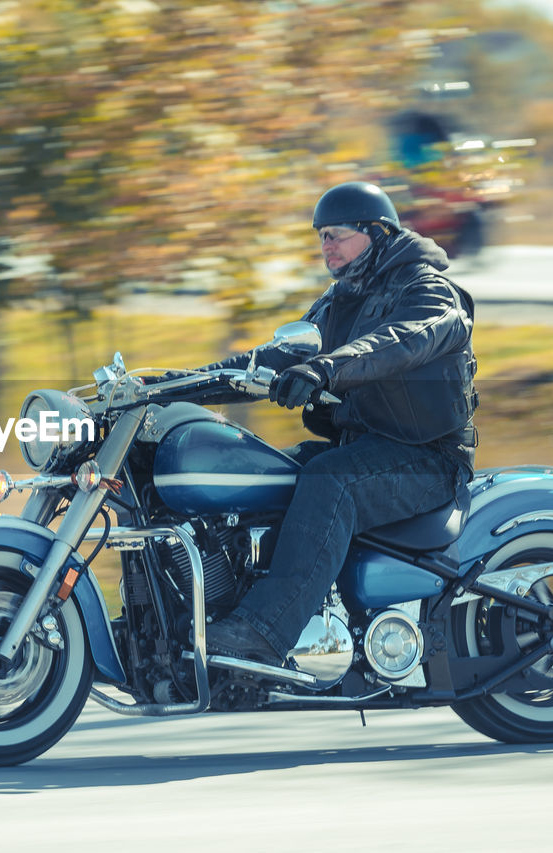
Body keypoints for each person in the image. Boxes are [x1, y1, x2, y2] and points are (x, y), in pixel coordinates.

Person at [201, 181, 478, 664]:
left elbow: (399, 341)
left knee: (331, 481)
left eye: (336, 234)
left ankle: (264, 632)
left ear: (375, 233)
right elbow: (275, 355)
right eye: (321, 236)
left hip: (426, 460)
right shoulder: (340, 299)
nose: (325, 246)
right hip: (362, 447)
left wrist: (326, 367)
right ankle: (216, 611)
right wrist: (179, 383)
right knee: (250, 474)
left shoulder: (429, 291)